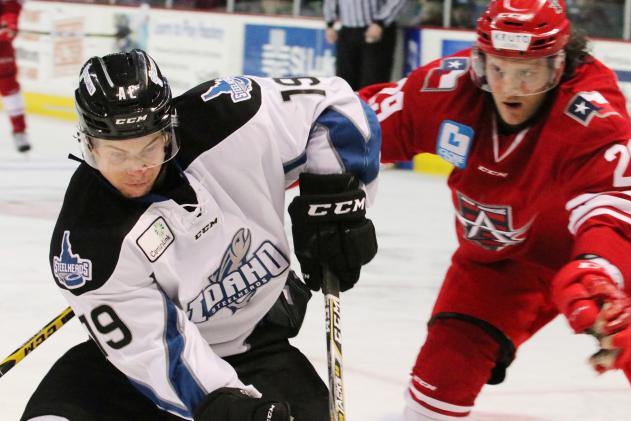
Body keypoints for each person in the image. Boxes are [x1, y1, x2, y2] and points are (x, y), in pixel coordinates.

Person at [20, 49, 380, 421]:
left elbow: (335, 107)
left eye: (149, 148)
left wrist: (335, 203)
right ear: (89, 145)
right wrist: (227, 406)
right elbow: (158, 354)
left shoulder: (231, 118)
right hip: (129, 373)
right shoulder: (86, 243)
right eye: (116, 155)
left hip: (256, 349)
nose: (136, 169)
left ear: (168, 127)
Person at [359, 0, 631, 419]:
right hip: (498, 266)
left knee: (622, 329)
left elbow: (611, 206)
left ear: (559, 66)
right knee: (438, 383)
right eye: (499, 68)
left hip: (598, 264)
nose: (510, 87)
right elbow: (351, 126)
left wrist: (598, 270)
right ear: (479, 61)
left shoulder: (591, 113)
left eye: (529, 72)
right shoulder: (447, 90)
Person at [323, 0, 405, 91]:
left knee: (371, 84)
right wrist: (329, 23)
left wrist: (380, 22)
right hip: (347, 30)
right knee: (344, 84)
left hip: (377, 30)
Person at [0, 0, 30, 153]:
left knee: (10, 93)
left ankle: (19, 132)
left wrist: (10, 27)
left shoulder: (9, 5)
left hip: (3, 57)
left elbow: (11, 12)